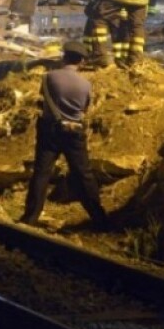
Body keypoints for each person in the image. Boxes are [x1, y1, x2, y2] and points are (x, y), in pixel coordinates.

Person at [18, 40, 109, 230]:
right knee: (84, 174)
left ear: (64, 57)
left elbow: (42, 98)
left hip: (49, 130)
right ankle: (99, 218)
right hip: (74, 132)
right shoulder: (85, 84)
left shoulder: (48, 77)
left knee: (42, 173)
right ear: (82, 61)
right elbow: (84, 108)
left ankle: (30, 218)